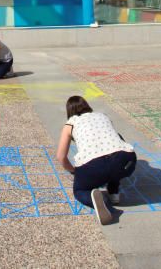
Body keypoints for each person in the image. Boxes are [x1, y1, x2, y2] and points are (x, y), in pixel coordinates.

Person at [56, 95, 137, 225]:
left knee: (79, 190)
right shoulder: (103, 116)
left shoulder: (70, 123)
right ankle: (114, 191)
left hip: (94, 167)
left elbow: (61, 157)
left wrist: (74, 171)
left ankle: (102, 203)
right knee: (115, 149)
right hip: (127, 160)